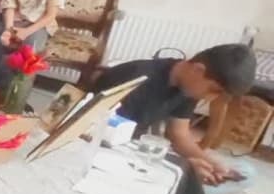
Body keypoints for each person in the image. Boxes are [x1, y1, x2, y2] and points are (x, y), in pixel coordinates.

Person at [92, 43, 256, 184]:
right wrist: (181, 167)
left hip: (133, 151)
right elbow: (107, 138)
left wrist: (213, 164)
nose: (211, 98)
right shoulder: (137, 77)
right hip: (105, 149)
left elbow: (179, 135)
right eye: (214, 90)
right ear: (198, 69)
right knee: (183, 180)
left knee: (247, 172)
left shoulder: (188, 87)